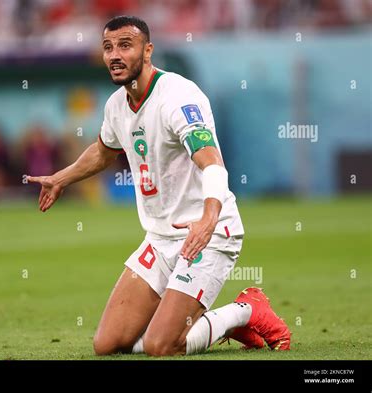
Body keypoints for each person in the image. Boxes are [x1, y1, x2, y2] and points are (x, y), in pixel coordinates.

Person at [27, 15, 290, 356]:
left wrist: (209, 219)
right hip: (161, 239)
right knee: (107, 344)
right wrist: (60, 178)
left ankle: (246, 311)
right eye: (108, 47)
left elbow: (212, 162)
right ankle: (180, 321)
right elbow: (105, 151)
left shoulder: (178, 97)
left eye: (125, 45)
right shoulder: (116, 106)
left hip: (208, 234)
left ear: (147, 51)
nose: (115, 55)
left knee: (162, 345)